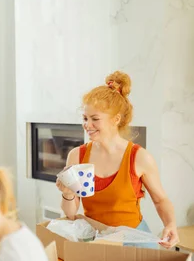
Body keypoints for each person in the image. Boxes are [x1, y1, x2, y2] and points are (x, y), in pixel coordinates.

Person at [56, 71, 179, 249]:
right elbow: (70, 214)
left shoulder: (139, 157)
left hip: (134, 241)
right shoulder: (77, 156)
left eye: (95, 119)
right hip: (97, 240)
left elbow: (160, 200)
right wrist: (67, 194)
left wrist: (171, 225)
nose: (87, 125)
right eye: (85, 118)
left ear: (116, 119)